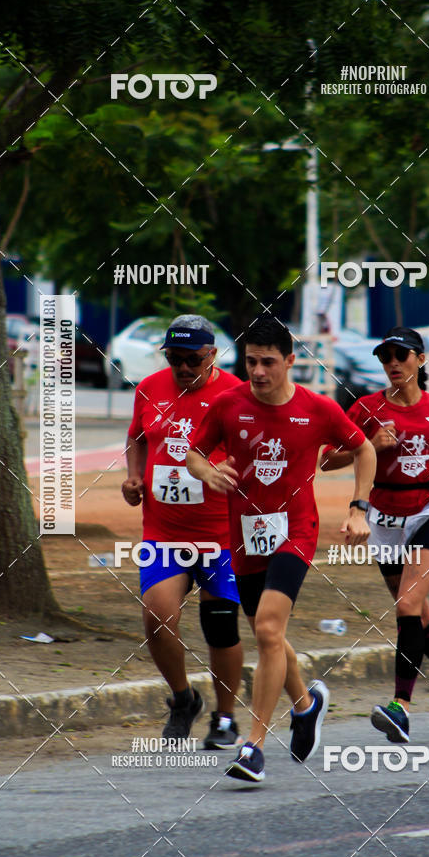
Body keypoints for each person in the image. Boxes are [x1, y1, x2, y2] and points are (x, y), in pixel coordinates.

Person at [186, 316, 376, 782]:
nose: (257, 371)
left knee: (268, 628)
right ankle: (306, 704)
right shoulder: (229, 405)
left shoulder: (318, 408)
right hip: (247, 536)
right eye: (250, 361)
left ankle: (252, 746)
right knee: (269, 635)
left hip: (296, 530)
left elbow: (365, 449)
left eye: (268, 362)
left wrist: (359, 509)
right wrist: (206, 472)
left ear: (290, 361)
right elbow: (192, 452)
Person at [321, 326, 429, 744]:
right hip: (384, 519)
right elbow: (327, 461)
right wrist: (369, 444)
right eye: (386, 357)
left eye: (401, 355)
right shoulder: (365, 408)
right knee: (415, 612)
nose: (393, 364)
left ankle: (400, 708)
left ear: (420, 360)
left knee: (407, 602)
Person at [122, 315, 244, 749]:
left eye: (193, 359)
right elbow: (137, 437)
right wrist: (135, 477)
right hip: (164, 532)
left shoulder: (235, 394)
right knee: (157, 617)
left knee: (221, 625)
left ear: (212, 354)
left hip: (221, 535)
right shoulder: (150, 388)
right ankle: (182, 699)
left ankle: (226, 717)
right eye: (175, 359)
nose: (184, 368)